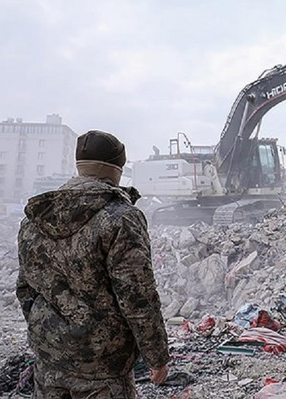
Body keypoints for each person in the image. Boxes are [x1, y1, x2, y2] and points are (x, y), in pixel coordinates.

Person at [16, 130, 170, 398]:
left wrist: (48, 331)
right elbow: (136, 297)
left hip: (49, 357)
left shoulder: (35, 219)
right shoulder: (121, 218)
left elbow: (25, 289)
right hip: (103, 365)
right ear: (116, 170)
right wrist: (156, 355)